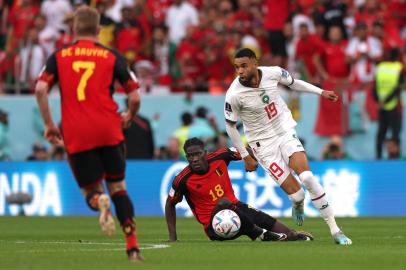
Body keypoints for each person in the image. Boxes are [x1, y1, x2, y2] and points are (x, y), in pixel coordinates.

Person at [34, 6, 143, 261]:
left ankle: (98, 201)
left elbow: (40, 89)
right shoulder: (112, 56)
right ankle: (133, 248)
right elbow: (135, 96)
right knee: (119, 188)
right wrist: (129, 115)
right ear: (98, 30)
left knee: (90, 191)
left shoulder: (59, 56)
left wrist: (50, 124)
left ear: (74, 29)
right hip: (109, 129)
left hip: (77, 133)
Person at [224, 48, 352, 245]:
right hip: (263, 146)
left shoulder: (273, 72)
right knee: (298, 194)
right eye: (236, 67)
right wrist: (245, 155)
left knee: (308, 177)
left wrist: (321, 92)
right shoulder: (234, 94)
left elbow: (294, 83)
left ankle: (336, 231)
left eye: (243, 66)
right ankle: (298, 204)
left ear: (255, 63)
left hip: (284, 131)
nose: (240, 71)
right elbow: (230, 125)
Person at [165, 137, 314, 242]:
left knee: (285, 233)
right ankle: (261, 234)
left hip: (236, 208)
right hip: (213, 226)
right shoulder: (182, 179)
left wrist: (250, 160)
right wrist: (173, 238)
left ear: (205, 152)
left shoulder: (221, 156)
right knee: (223, 202)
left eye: (197, 154)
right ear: (186, 157)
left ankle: (292, 235)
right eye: (190, 156)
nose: (195, 159)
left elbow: (245, 151)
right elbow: (170, 204)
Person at [373, 48, 404, 159]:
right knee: (395, 134)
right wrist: (386, 100)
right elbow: (398, 88)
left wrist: (378, 101)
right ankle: (395, 158)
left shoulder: (380, 67)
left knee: (381, 133)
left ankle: (378, 158)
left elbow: (375, 86)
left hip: (382, 106)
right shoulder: (399, 67)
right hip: (395, 105)